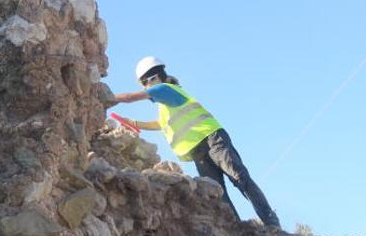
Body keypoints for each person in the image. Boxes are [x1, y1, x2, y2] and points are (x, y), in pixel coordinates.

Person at [112, 56, 280, 227]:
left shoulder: (165, 89)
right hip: (198, 151)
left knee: (239, 178)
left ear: (154, 78)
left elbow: (129, 97)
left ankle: (271, 222)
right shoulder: (165, 105)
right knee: (217, 196)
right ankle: (236, 230)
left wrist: (107, 97)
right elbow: (161, 124)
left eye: (144, 83)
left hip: (211, 139)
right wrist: (134, 123)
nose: (144, 88)